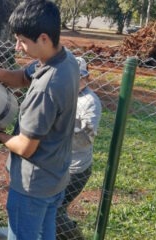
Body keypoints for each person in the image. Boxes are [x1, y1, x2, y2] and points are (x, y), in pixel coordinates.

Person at [0, 0, 79, 239]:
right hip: (55, 176)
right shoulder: (66, 60)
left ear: (43, 38)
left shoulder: (47, 87)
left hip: (33, 185)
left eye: (22, 41)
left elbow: (25, 146)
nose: (17, 47)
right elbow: (24, 77)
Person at [56, 57, 102, 240]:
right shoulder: (61, 94)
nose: (75, 82)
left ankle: (75, 237)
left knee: (55, 209)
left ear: (86, 78)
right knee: (52, 206)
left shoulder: (90, 102)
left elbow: (85, 139)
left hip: (75, 168)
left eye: (79, 77)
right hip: (56, 163)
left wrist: (58, 132)